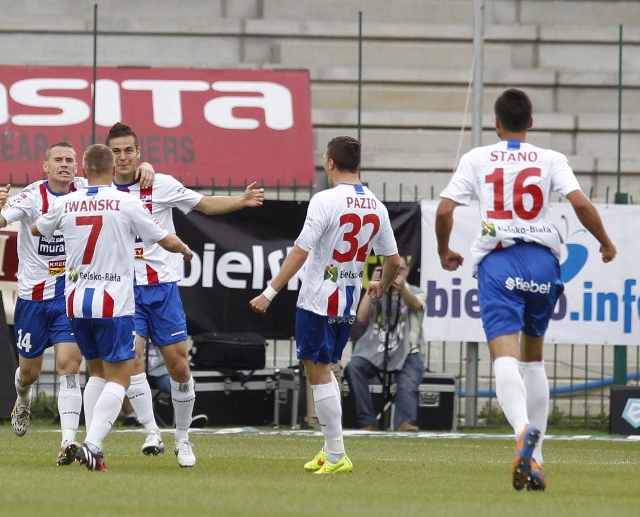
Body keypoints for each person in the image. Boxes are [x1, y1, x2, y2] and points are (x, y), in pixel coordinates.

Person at [435, 87, 617, 492]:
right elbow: (581, 204)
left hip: (499, 260)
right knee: (534, 357)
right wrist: (604, 241)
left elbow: (446, 209)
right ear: (530, 123)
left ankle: (522, 431)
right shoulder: (550, 159)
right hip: (543, 262)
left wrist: (444, 249)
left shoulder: (477, 157)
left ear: (496, 124)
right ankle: (537, 461)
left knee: (504, 355)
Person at [0, 141, 155, 465]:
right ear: (45, 166)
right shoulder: (32, 196)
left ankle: (67, 442)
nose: (65, 165)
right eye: (58, 160)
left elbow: (121, 184)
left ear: (79, 167)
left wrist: (146, 169)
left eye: (70, 160)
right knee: (28, 373)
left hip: (68, 293)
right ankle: (22, 401)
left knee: (69, 365)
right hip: (33, 295)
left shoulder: (85, 191)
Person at [105, 122, 265, 467]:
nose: (122, 157)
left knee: (178, 366)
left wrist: (242, 200)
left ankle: (183, 439)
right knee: (131, 361)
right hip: (123, 289)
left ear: (138, 153)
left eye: (128, 150)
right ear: (108, 155)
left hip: (161, 288)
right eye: (115, 151)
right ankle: (150, 431)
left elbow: (205, 205)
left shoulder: (160, 184)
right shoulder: (99, 191)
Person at [33, 143, 193, 471]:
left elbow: (38, 229)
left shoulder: (67, 201)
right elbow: (164, 238)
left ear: (84, 170)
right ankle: (92, 444)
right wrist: (185, 250)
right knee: (119, 378)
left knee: (94, 373)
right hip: (113, 303)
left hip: (76, 303)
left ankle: (91, 445)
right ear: (111, 170)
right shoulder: (126, 202)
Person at [250, 135, 401, 475]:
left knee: (317, 372)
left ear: (330, 163)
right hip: (346, 302)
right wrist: (382, 285)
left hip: (318, 300)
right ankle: (330, 448)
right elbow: (393, 260)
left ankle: (336, 454)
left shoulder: (325, 200)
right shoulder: (376, 205)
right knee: (322, 368)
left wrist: (270, 292)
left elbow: (301, 251)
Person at [343, 262, 425, 432]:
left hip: (408, 351)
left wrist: (402, 288)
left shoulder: (416, 291)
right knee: (354, 367)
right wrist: (372, 286)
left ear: (408, 270)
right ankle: (368, 421)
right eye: (391, 270)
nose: (395, 273)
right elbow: (362, 317)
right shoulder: (378, 291)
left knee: (409, 378)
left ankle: (405, 422)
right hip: (375, 350)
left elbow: (416, 305)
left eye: (400, 269)